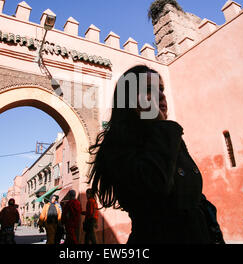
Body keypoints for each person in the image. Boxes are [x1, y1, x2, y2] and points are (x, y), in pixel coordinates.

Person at [87, 65, 216, 244]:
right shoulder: (121, 147)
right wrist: (162, 127)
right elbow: (156, 186)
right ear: (130, 100)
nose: (161, 95)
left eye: (161, 89)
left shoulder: (172, 138)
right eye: (149, 89)